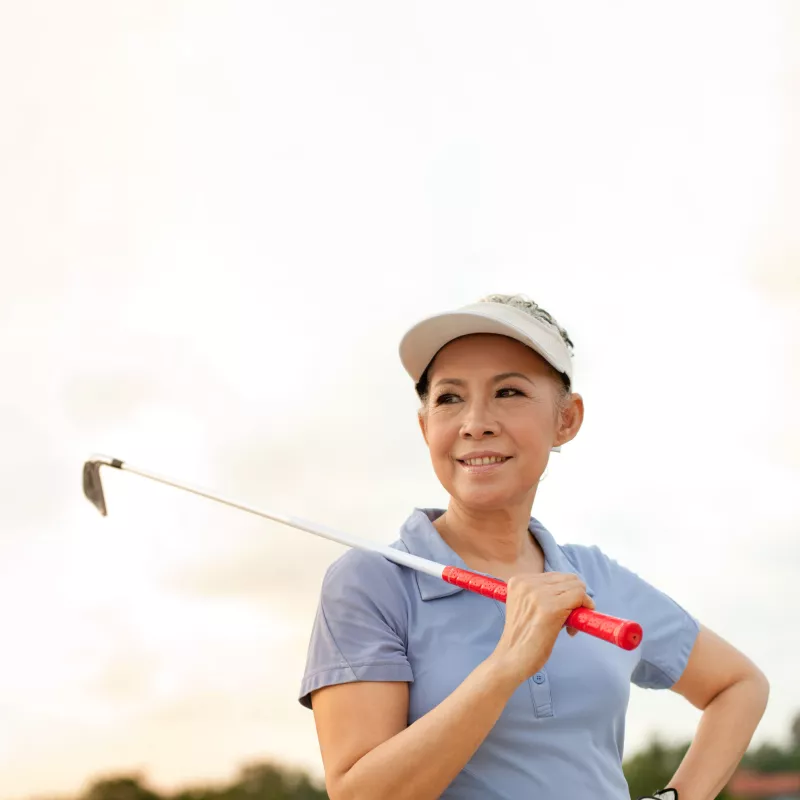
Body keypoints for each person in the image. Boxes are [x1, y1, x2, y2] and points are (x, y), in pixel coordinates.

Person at [298, 294, 769, 800]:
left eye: (509, 391)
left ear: (566, 419)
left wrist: (676, 797)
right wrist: (507, 665)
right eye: (449, 398)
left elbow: (740, 685)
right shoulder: (370, 582)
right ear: (425, 427)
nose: (475, 422)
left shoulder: (597, 577)